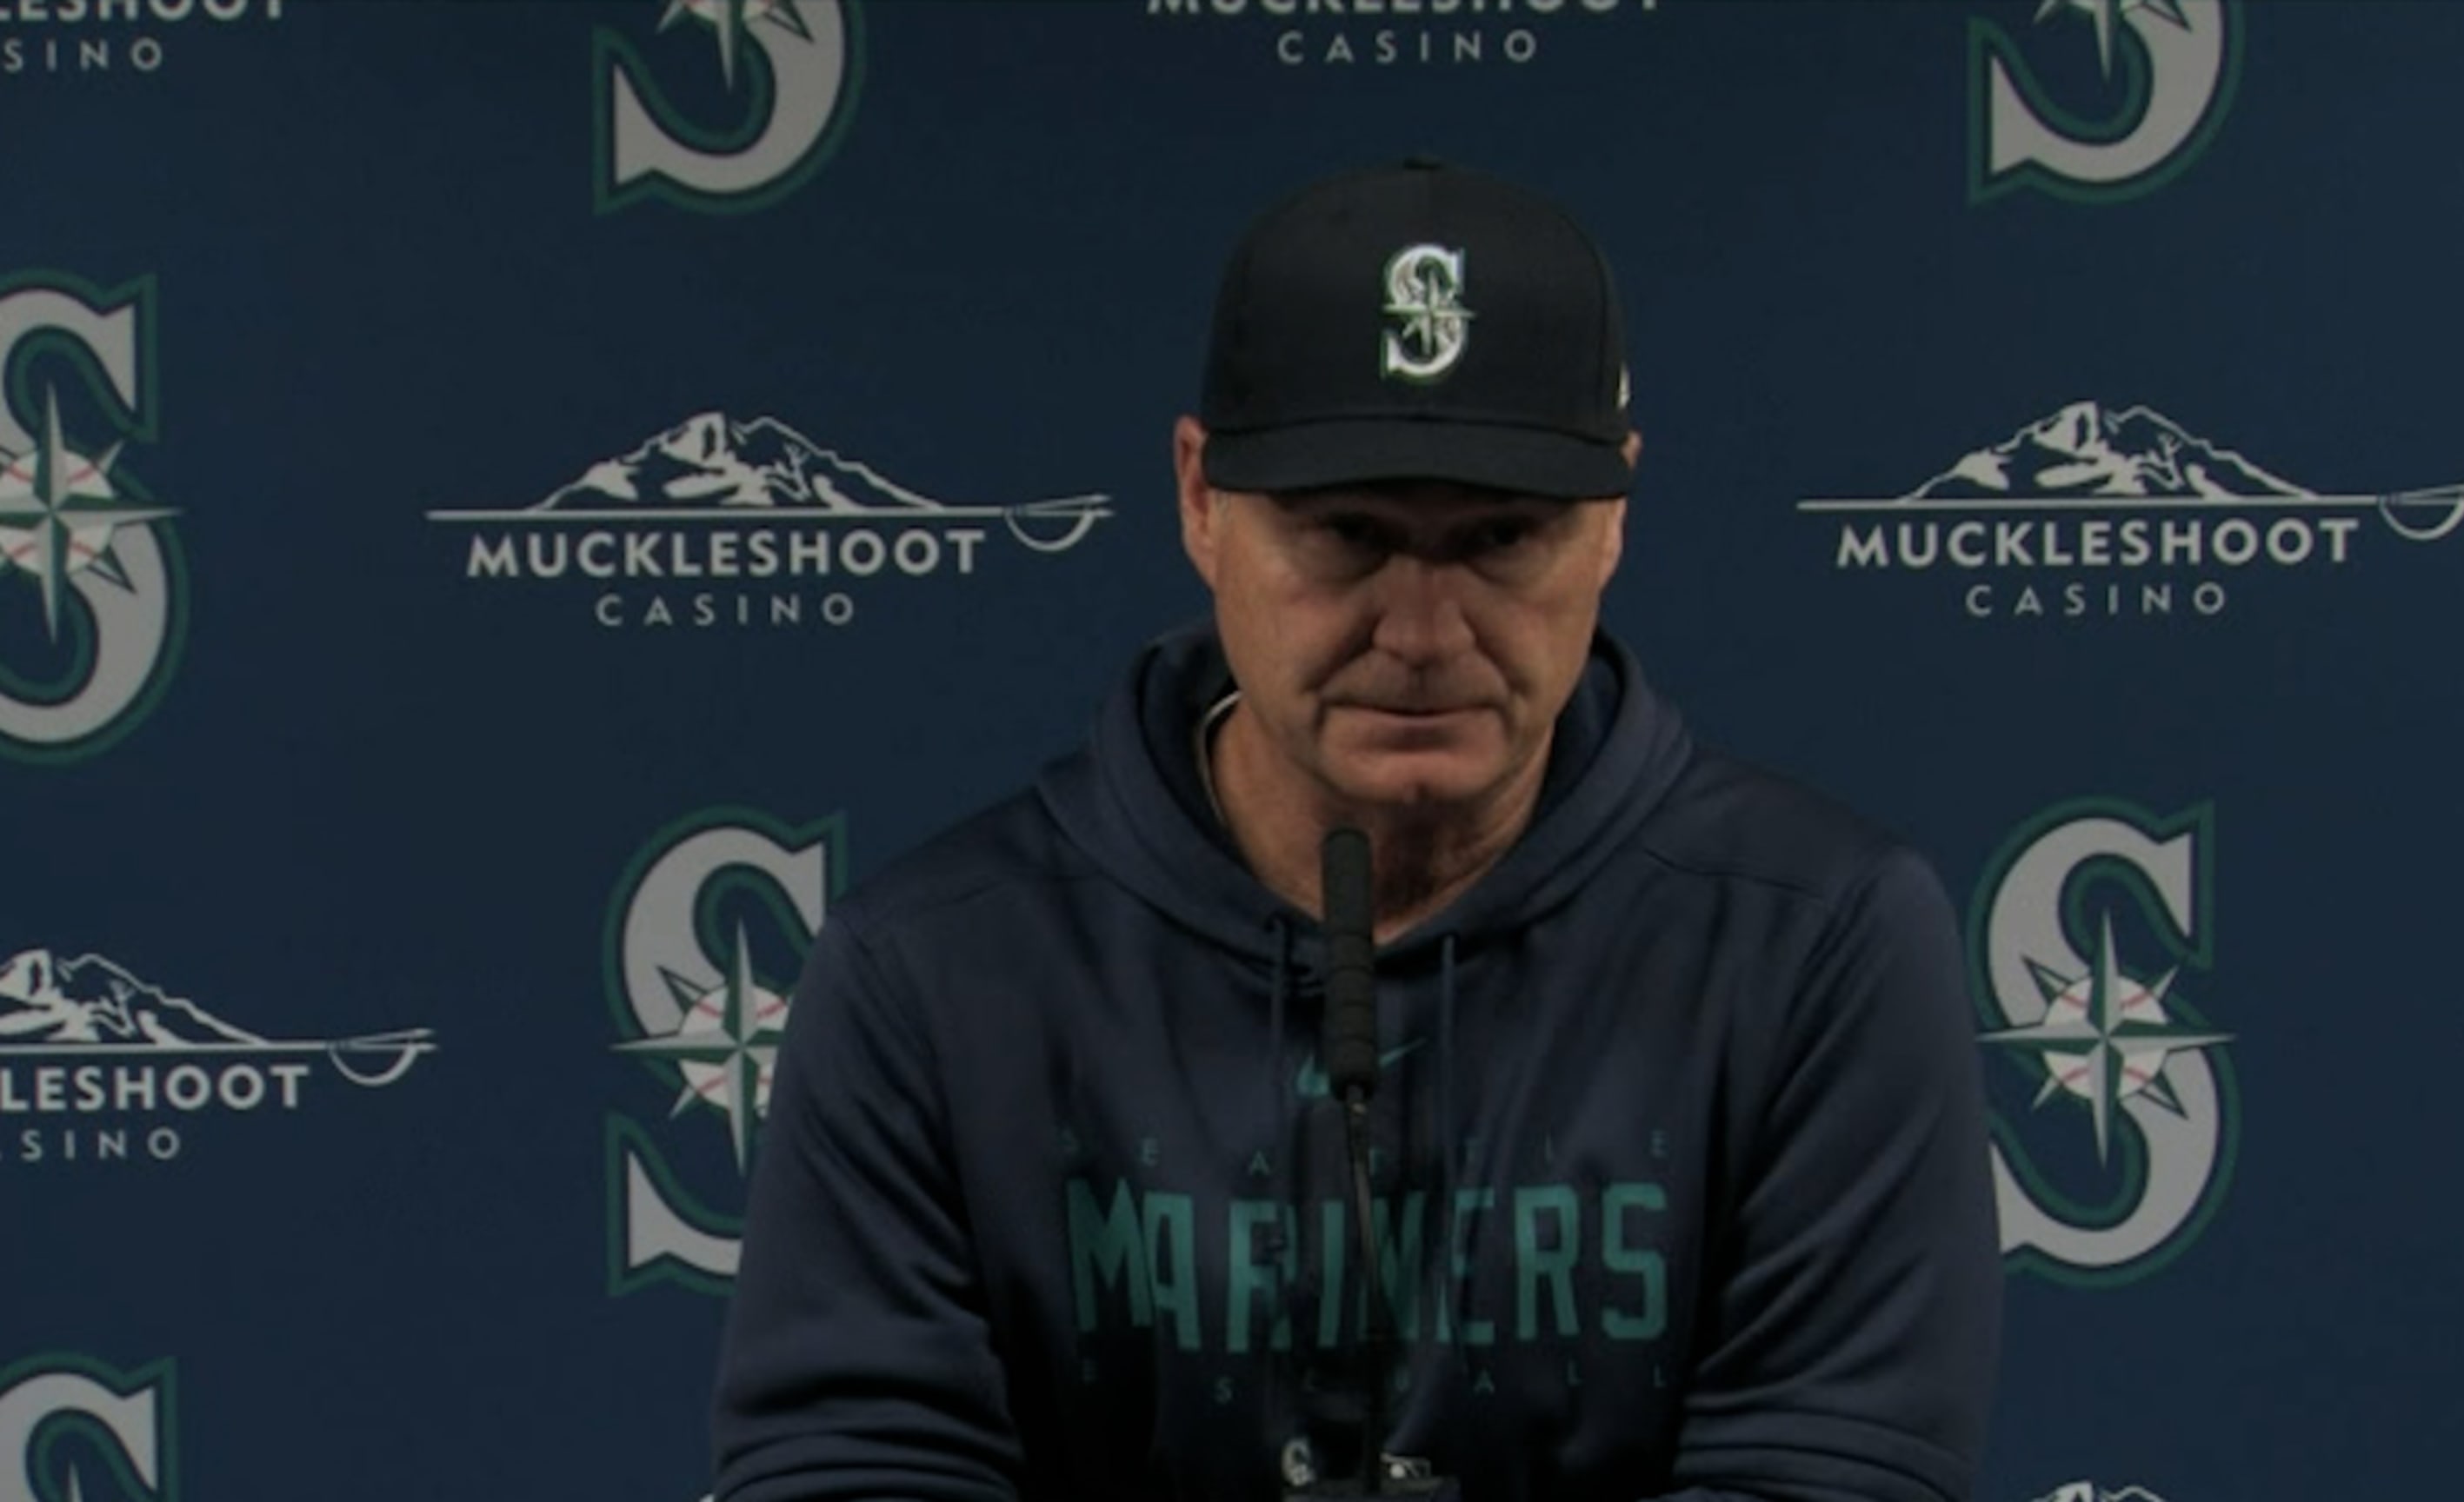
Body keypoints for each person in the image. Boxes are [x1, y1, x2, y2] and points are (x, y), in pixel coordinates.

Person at [711, 157, 2001, 1502]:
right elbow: (847, 1472)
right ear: (1201, 498)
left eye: (1503, 537)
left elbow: (1834, 1478)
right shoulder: (932, 974)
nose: (1423, 634)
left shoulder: (1815, 945)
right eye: (1345, 536)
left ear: (1614, 513)